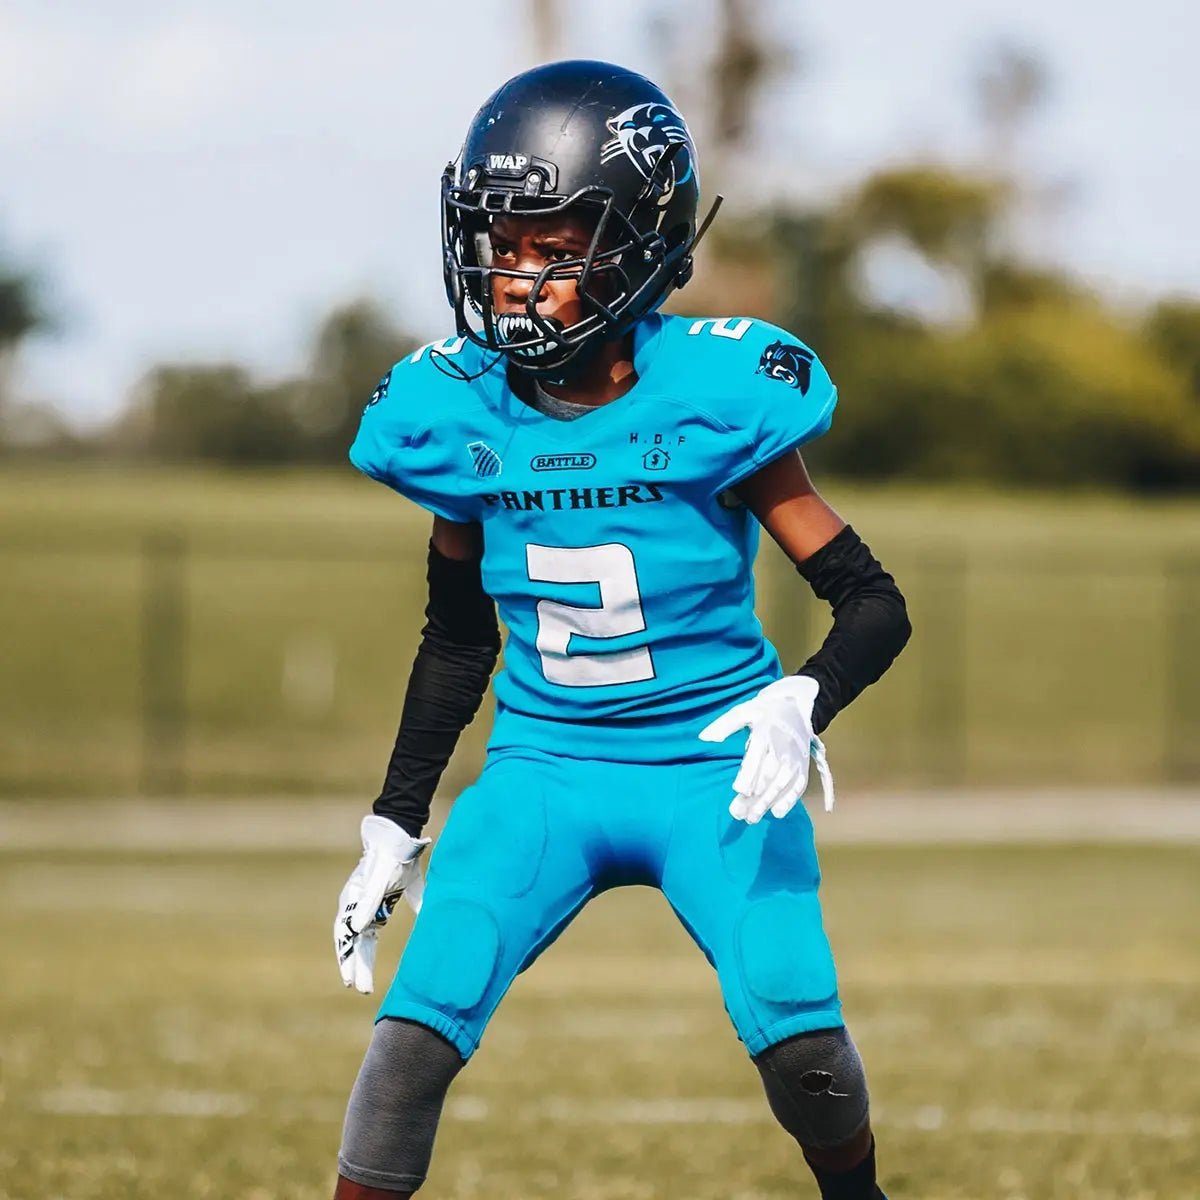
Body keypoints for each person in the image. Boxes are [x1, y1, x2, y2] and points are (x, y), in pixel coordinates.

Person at [332, 59, 911, 1200]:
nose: (515, 278)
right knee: (408, 1047)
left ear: (640, 244)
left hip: (713, 766)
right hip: (545, 768)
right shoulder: (455, 409)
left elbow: (873, 599)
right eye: (502, 243)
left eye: (552, 247)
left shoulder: (717, 392)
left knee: (802, 1043)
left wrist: (804, 696)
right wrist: (395, 818)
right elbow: (458, 639)